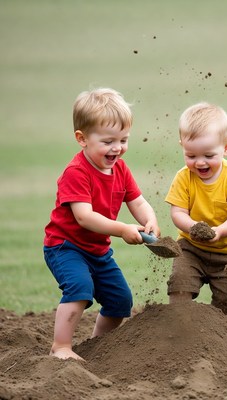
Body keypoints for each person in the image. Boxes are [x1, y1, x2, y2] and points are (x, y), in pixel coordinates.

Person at [43, 88, 160, 361]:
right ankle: (60, 346)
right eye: (108, 141)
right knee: (80, 289)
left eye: (123, 139)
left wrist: (149, 219)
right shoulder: (76, 173)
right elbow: (84, 216)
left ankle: (96, 348)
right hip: (66, 247)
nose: (117, 148)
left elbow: (138, 201)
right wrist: (123, 229)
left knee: (120, 302)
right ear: (82, 139)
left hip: (98, 251)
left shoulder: (120, 168)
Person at [165, 102, 227, 321]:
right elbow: (178, 213)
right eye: (191, 156)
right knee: (179, 284)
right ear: (182, 146)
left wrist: (220, 232)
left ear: (226, 148)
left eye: (208, 155)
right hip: (191, 248)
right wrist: (194, 228)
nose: (200, 162)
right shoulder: (183, 177)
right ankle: (180, 327)